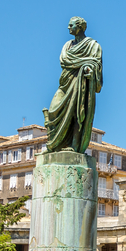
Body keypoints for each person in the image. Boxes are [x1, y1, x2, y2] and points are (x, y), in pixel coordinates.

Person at [43, 16, 103, 154]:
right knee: (53, 112)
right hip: (65, 83)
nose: (68, 27)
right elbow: (64, 62)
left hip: (80, 82)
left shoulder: (93, 45)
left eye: (71, 25)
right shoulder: (67, 45)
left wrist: (89, 69)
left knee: (77, 112)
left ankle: (74, 147)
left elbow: (96, 63)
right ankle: (54, 146)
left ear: (80, 27)